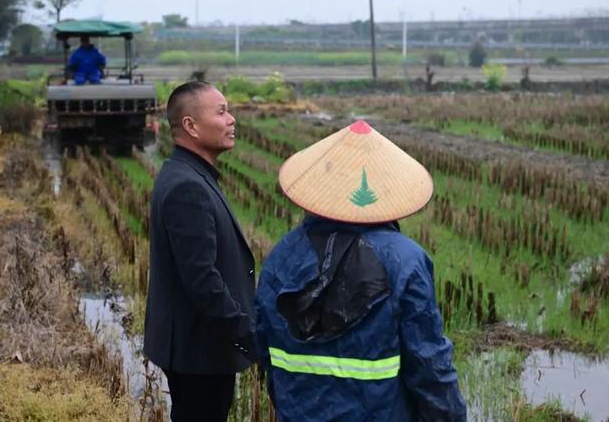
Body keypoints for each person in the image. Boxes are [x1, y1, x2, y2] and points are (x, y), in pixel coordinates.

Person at [255, 120, 467, 422]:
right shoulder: (405, 259)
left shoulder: (282, 255)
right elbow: (428, 362)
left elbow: (264, 344)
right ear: (387, 191)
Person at [143, 81, 257, 422]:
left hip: (201, 348)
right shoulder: (187, 187)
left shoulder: (188, 174)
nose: (231, 120)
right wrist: (247, 335)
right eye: (221, 112)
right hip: (198, 351)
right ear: (191, 126)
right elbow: (202, 279)